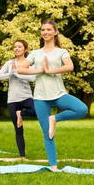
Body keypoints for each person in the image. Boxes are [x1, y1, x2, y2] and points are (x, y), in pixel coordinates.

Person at [17, 20, 88, 171]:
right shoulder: (35, 53)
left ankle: (54, 118)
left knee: (82, 109)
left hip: (59, 94)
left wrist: (51, 71)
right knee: (47, 134)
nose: (46, 32)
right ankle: (53, 166)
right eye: (43, 29)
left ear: (55, 32)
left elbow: (70, 66)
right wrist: (40, 71)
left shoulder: (61, 52)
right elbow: (21, 69)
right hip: (40, 98)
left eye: (49, 29)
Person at [0, 40, 36, 158]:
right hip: (13, 99)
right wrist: (10, 74)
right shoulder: (9, 63)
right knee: (18, 129)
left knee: (34, 111)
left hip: (26, 96)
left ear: (25, 49)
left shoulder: (29, 63)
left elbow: (33, 78)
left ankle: (20, 113)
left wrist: (17, 74)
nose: (17, 49)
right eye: (15, 47)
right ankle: (22, 156)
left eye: (19, 47)